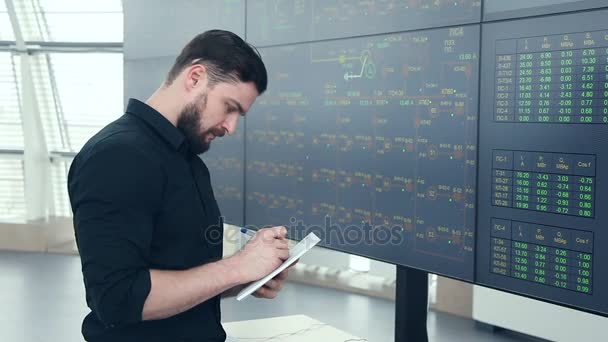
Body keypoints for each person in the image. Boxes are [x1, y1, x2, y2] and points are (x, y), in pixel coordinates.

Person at [68, 30, 290, 342]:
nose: (230, 126)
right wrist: (237, 267)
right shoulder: (116, 156)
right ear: (196, 77)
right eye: (229, 106)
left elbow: (182, 276)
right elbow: (117, 298)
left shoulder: (187, 159)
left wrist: (248, 277)